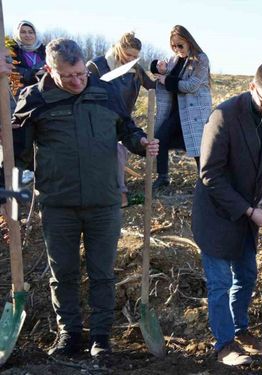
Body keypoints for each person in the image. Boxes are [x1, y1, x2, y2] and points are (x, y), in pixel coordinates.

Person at [11, 38, 159, 361]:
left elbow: (127, 129)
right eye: (69, 77)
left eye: (81, 74)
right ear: (50, 70)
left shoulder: (105, 92)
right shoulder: (34, 99)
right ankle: (70, 336)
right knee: (63, 274)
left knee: (102, 273)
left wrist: (141, 142)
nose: (78, 81)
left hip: (104, 202)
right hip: (58, 204)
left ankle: (102, 338)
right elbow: (15, 154)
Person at [191, 61, 262, 366]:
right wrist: (249, 211)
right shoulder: (223, 116)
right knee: (220, 281)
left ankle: (240, 328)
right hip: (217, 212)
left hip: (249, 214)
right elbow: (210, 174)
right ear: (252, 88)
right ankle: (224, 345)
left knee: (247, 275)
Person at [87, 32, 155, 207]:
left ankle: (117, 192)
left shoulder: (136, 69)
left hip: (122, 119)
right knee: (112, 152)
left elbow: (153, 87)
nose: (131, 58)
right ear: (119, 48)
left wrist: (164, 77)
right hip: (98, 118)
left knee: (118, 151)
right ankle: (119, 194)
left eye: (135, 56)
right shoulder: (97, 65)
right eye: (128, 54)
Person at [150, 25, 211, 191]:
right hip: (175, 111)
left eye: (180, 45)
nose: (177, 49)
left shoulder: (201, 59)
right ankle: (163, 177)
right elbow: (161, 72)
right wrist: (157, 67)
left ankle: (204, 180)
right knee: (160, 138)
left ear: (189, 42)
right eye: (174, 46)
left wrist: (166, 80)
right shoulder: (174, 59)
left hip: (193, 112)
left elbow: (191, 86)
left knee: (197, 146)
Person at [9, 20, 46, 184]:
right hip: (19, 96)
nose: (27, 35)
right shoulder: (11, 51)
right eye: (23, 32)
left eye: (30, 32)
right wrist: (33, 73)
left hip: (42, 96)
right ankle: (22, 170)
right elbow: (13, 71)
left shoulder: (43, 51)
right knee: (23, 130)